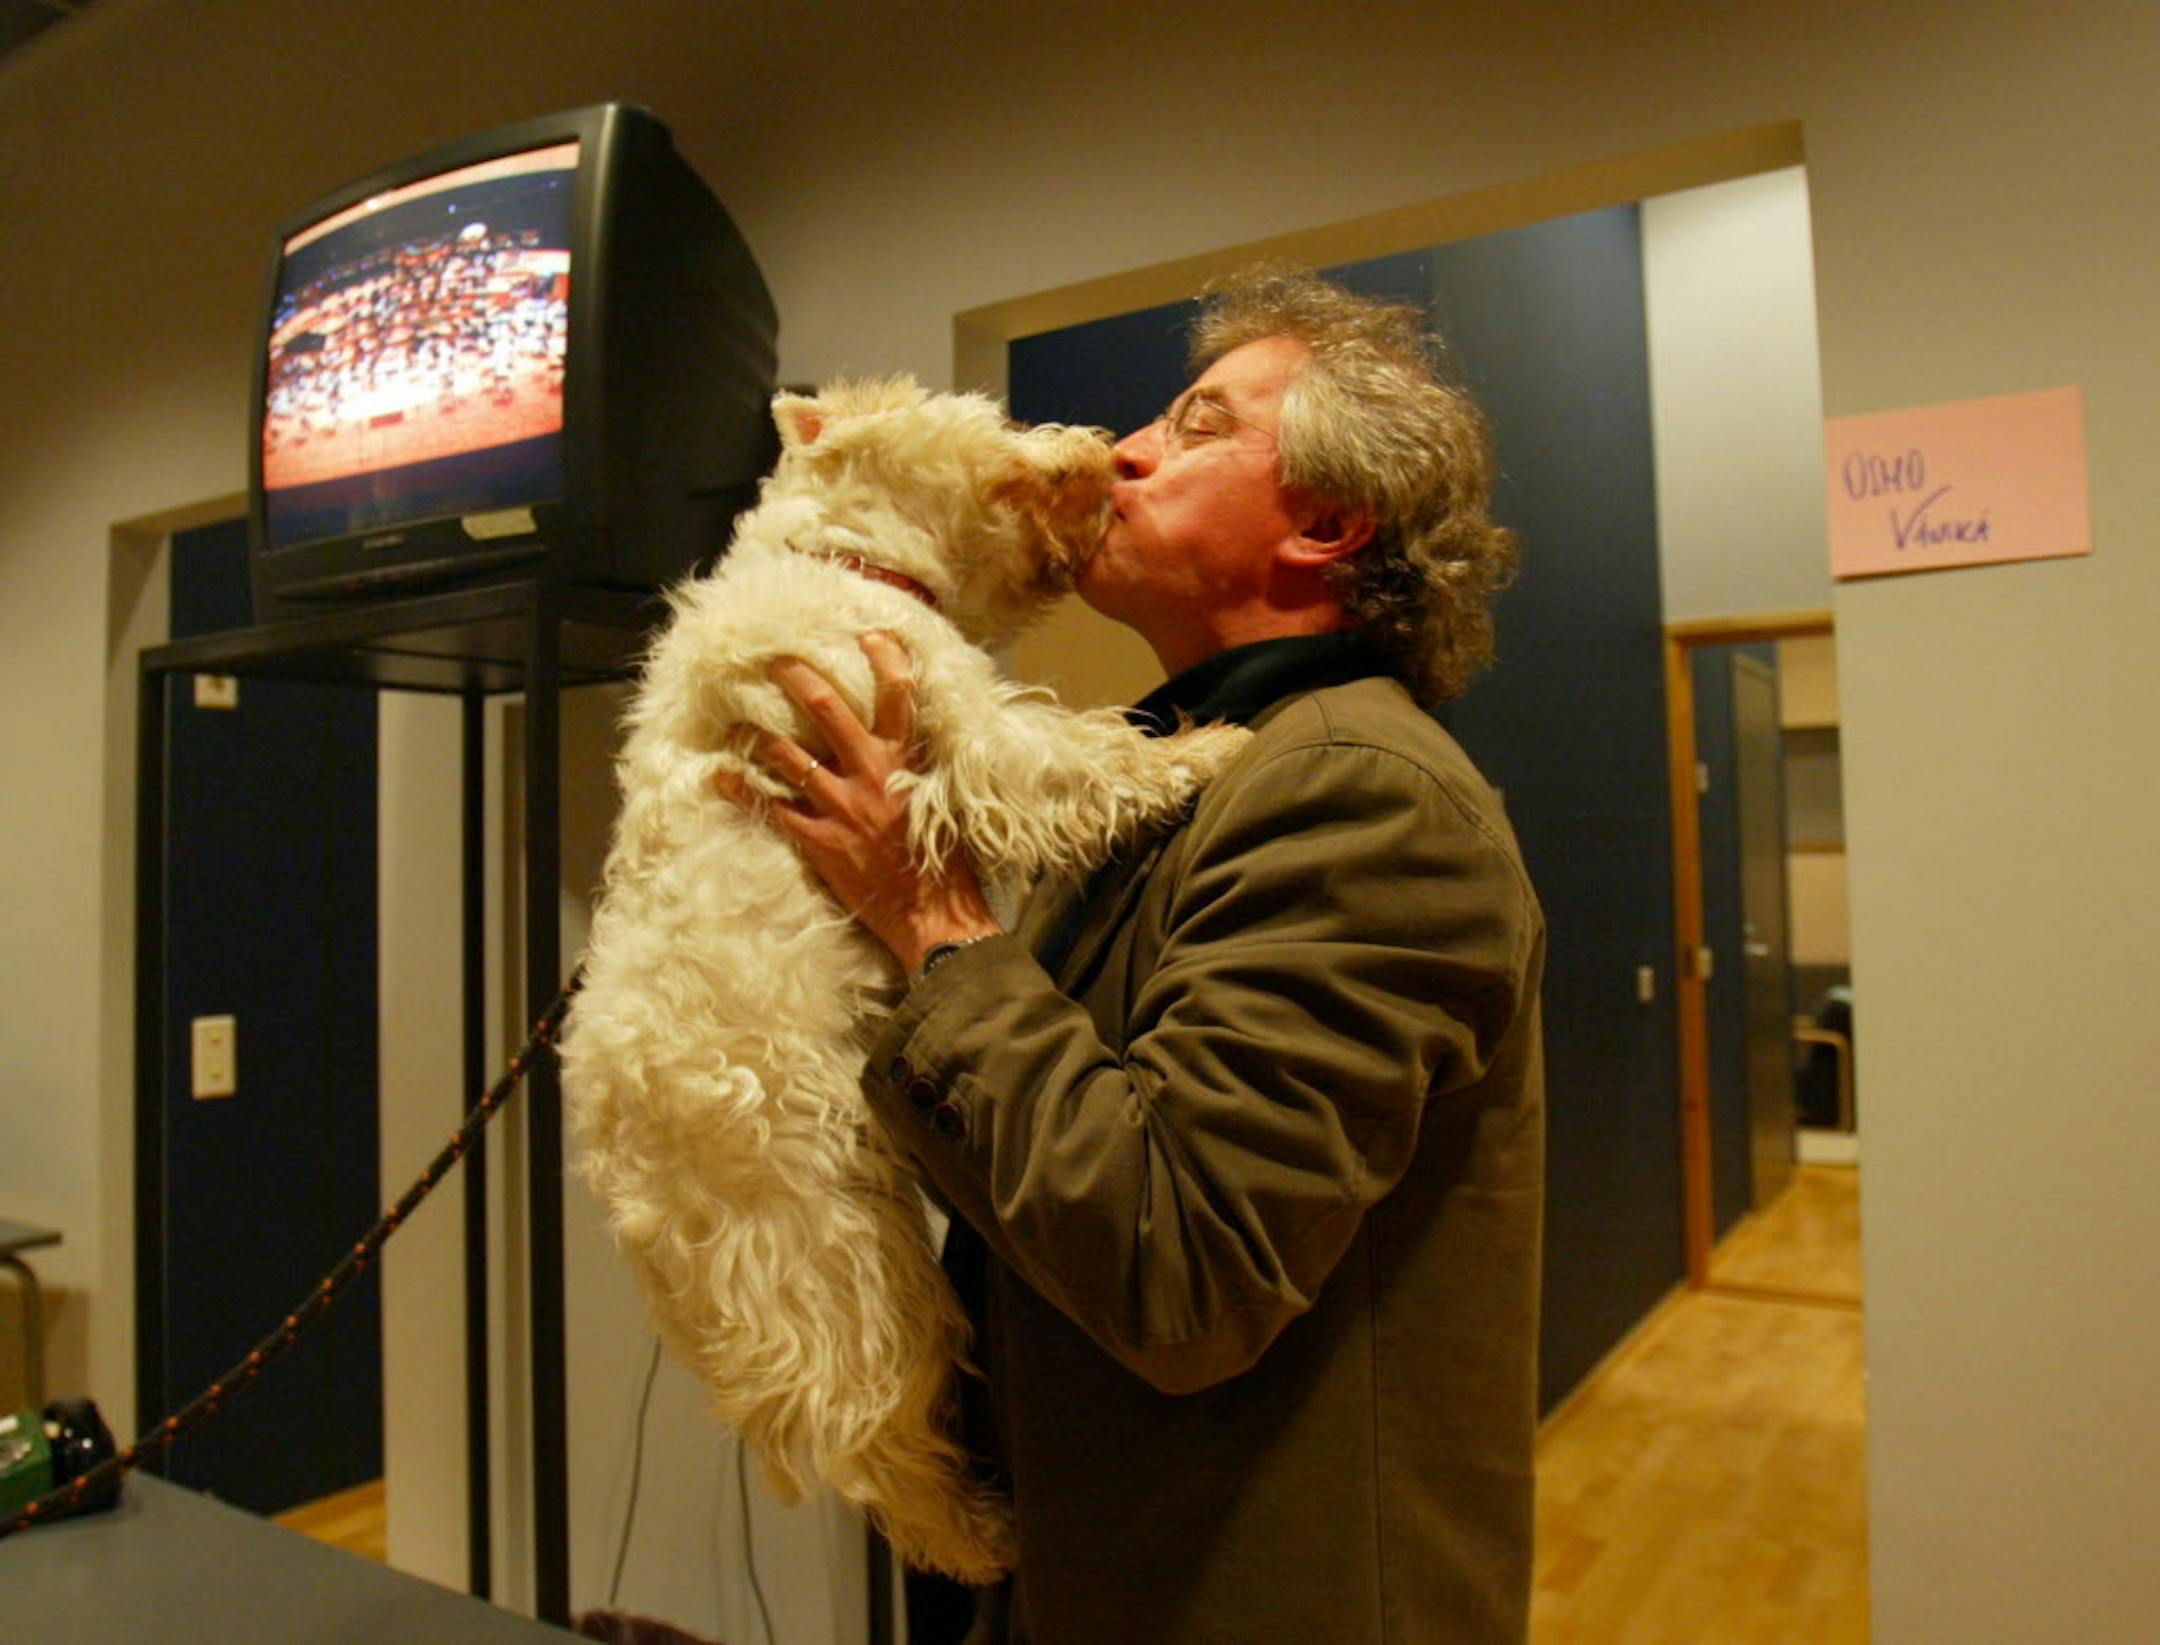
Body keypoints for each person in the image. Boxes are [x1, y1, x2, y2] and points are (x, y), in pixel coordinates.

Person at [729, 268, 1545, 1644]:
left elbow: (1179, 1265)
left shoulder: (1361, 792)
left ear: (1327, 526)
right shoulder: (1195, 773)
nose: (1123, 450)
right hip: (1096, 1559)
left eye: (1200, 424)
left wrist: (931, 920)